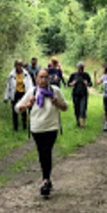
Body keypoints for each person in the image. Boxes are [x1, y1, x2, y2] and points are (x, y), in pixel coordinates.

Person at [17, 66, 68, 197]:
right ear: (36, 79)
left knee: (47, 151)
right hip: (37, 128)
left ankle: (45, 180)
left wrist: (57, 103)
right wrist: (28, 104)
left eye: (46, 77)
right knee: (42, 153)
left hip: (51, 127)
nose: (43, 79)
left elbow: (65, 107)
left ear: (49, 78)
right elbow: (18, 108)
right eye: (41, 77)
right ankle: (47, 179)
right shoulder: (32, 92)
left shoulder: (55, 91)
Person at [3, 59, 34, 132]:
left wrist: (31, 94)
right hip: (15, 93)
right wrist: (6, 97)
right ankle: (15, 128)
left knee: (23, 110)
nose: (19, 66)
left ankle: (24, 126)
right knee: (14, 110)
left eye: (20, 65)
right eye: (18, 65)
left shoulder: (26, 74)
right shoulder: (11, 74)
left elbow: (30, 84)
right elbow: (8, 86)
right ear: (15, 66)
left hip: (23, 93)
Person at [67, 61, 93, 128]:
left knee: (83, 108)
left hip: (84, 94)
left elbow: (90, 84)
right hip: (75, 94)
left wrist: (87, 83)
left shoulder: (86, 75)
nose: (81, 69)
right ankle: (78, 121)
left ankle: (82, 125)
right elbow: (68, 84)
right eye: (80, 68)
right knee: (76, 108)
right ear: (77, 68)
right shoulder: (73, 75)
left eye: (82, 68)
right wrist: (72, 84)